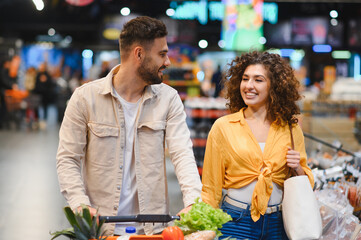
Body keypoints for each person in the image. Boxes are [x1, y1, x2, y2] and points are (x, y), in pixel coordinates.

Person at [56, 16, 202, 236]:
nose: (168, 62)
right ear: (139, 54)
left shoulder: (168, 99)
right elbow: (68, 158)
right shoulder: (85, 98)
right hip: (101, 228)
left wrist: (193, 201)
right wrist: (81, 204)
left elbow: (182, 153)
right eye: (162, 54)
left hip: (152, 229)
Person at [201, 51, 314, 239]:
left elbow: (306, 182)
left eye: (258, 80)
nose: (249, 86)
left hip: (280, 224)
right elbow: (210, 187)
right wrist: (205, 228)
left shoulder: (290, 128)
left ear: (275, 86)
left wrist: (298, 169)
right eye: (245, 79)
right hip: (235, 222)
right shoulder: (224, 127)